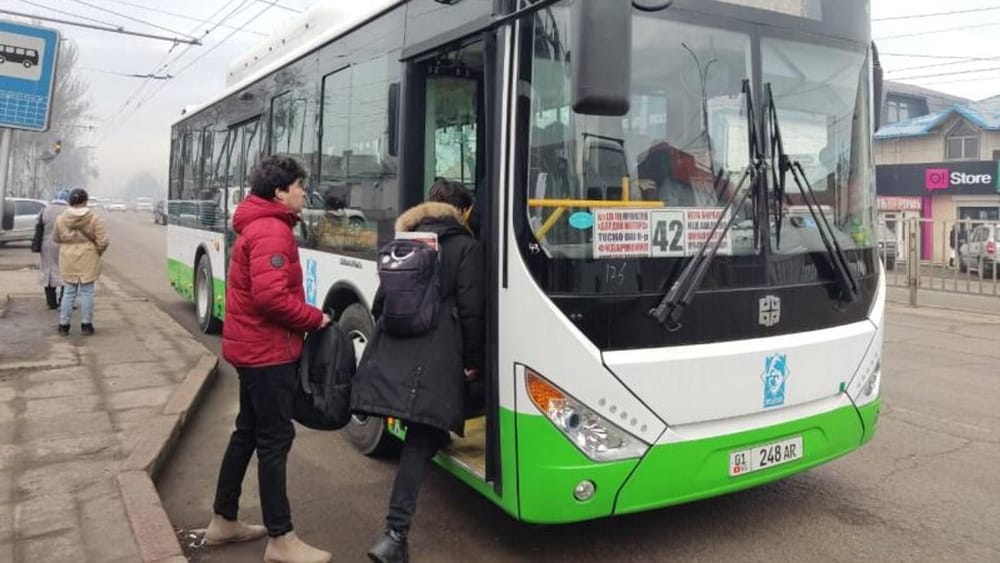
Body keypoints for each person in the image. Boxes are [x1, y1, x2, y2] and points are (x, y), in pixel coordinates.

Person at [205, 156, 332, 563]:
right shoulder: (273, 231)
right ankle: (281, 539)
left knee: (247, 430)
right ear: (279, 192)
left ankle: (224, 520)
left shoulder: (257, 225)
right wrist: (317, 318)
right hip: (268, 353)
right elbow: (271, 297)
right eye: (298, 185)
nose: (302, 192)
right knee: (274, 440)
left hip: (252, 350)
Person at [352, 179, 485, 563]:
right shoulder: (466, 247)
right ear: (461, 213)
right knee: (419, 441)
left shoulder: (406, 241)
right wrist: (472, 362)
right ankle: (394, 535)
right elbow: (473, 312)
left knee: (424, 431)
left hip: (398, 353)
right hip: (439, 359)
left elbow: (380, 304)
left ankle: (395, 535)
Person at [53, 189, 109, 336]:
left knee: (69, 293)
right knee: (87, 292)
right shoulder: (94, 219)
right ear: (85, 201)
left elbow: (56, 238)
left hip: (67, 258)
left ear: (70, 201)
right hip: (88, 256)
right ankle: (86, 325)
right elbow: (103, 241)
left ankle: (63, 326)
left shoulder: (60, 219)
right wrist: (97, 252)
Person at [39, 189, 70, 309]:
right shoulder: (68, 211)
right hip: (64, 245)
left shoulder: (45, 210)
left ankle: (51, 302)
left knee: (48, 272)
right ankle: (65, 300)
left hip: (46, 244)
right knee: (65, 272)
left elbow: (39, 225)